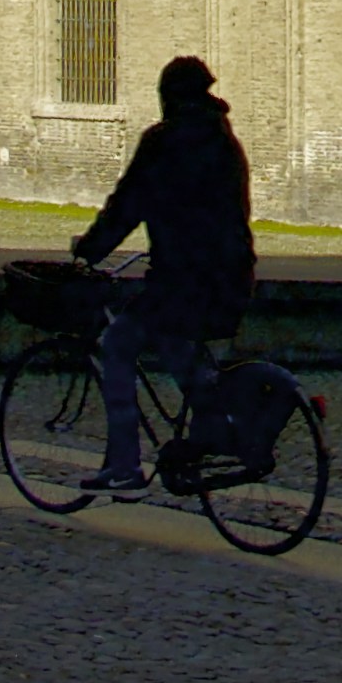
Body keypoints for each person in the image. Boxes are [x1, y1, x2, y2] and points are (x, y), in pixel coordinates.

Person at [69, 55, 256, 490]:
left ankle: (124, 466)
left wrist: (92, 248)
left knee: (116, 345)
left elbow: (127, 204)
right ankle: (212, 426)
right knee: (176, 344)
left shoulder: (163, 141)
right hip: (231, 277)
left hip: (181, 279)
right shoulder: (225, 141)